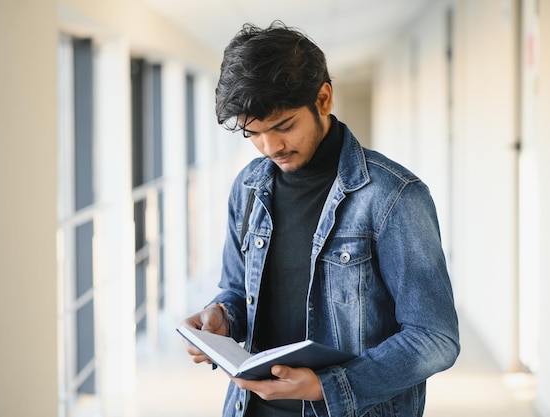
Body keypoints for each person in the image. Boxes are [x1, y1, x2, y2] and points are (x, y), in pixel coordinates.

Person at [180, 21, 460, 417]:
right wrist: (221, 317)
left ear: (324, 98)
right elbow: (236, 290)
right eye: (254, 133)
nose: (270, 146)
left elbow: (435, 337)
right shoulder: (247, 187)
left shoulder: (393, 196)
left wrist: (328, 387)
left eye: (284, 126)